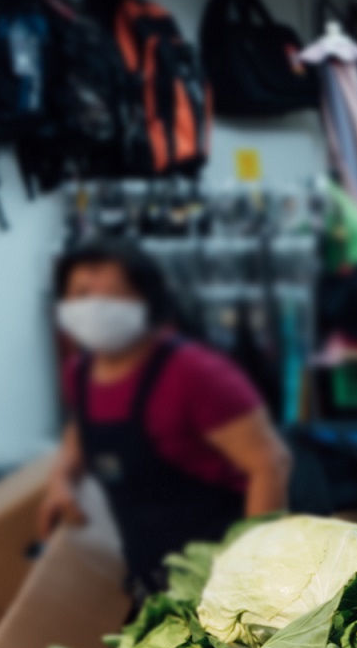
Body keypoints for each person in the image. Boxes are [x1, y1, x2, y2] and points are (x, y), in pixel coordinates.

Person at [38, 240, 291, 591]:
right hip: (147, 566)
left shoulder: (196, 374)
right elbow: (81, 428)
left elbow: (271, 464)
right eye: (80, 294)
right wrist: (61, 478)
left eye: (111, 295)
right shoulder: (78, 371)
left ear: (147, 301)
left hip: (219, 564)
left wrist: (250, 571)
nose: (93, 307)